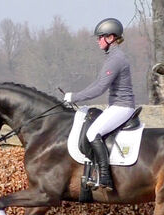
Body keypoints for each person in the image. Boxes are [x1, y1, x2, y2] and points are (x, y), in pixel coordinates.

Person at [64, 18, 135, 191]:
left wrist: (74, 97)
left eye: (100, 37)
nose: (98, 41)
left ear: (110, 38)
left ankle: (105, 178)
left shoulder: (116, 59)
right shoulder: (112, 57)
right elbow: (97, 83)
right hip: (117, 105)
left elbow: (100, 89)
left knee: (92, 133)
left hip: (122, 106)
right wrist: (77, 96)